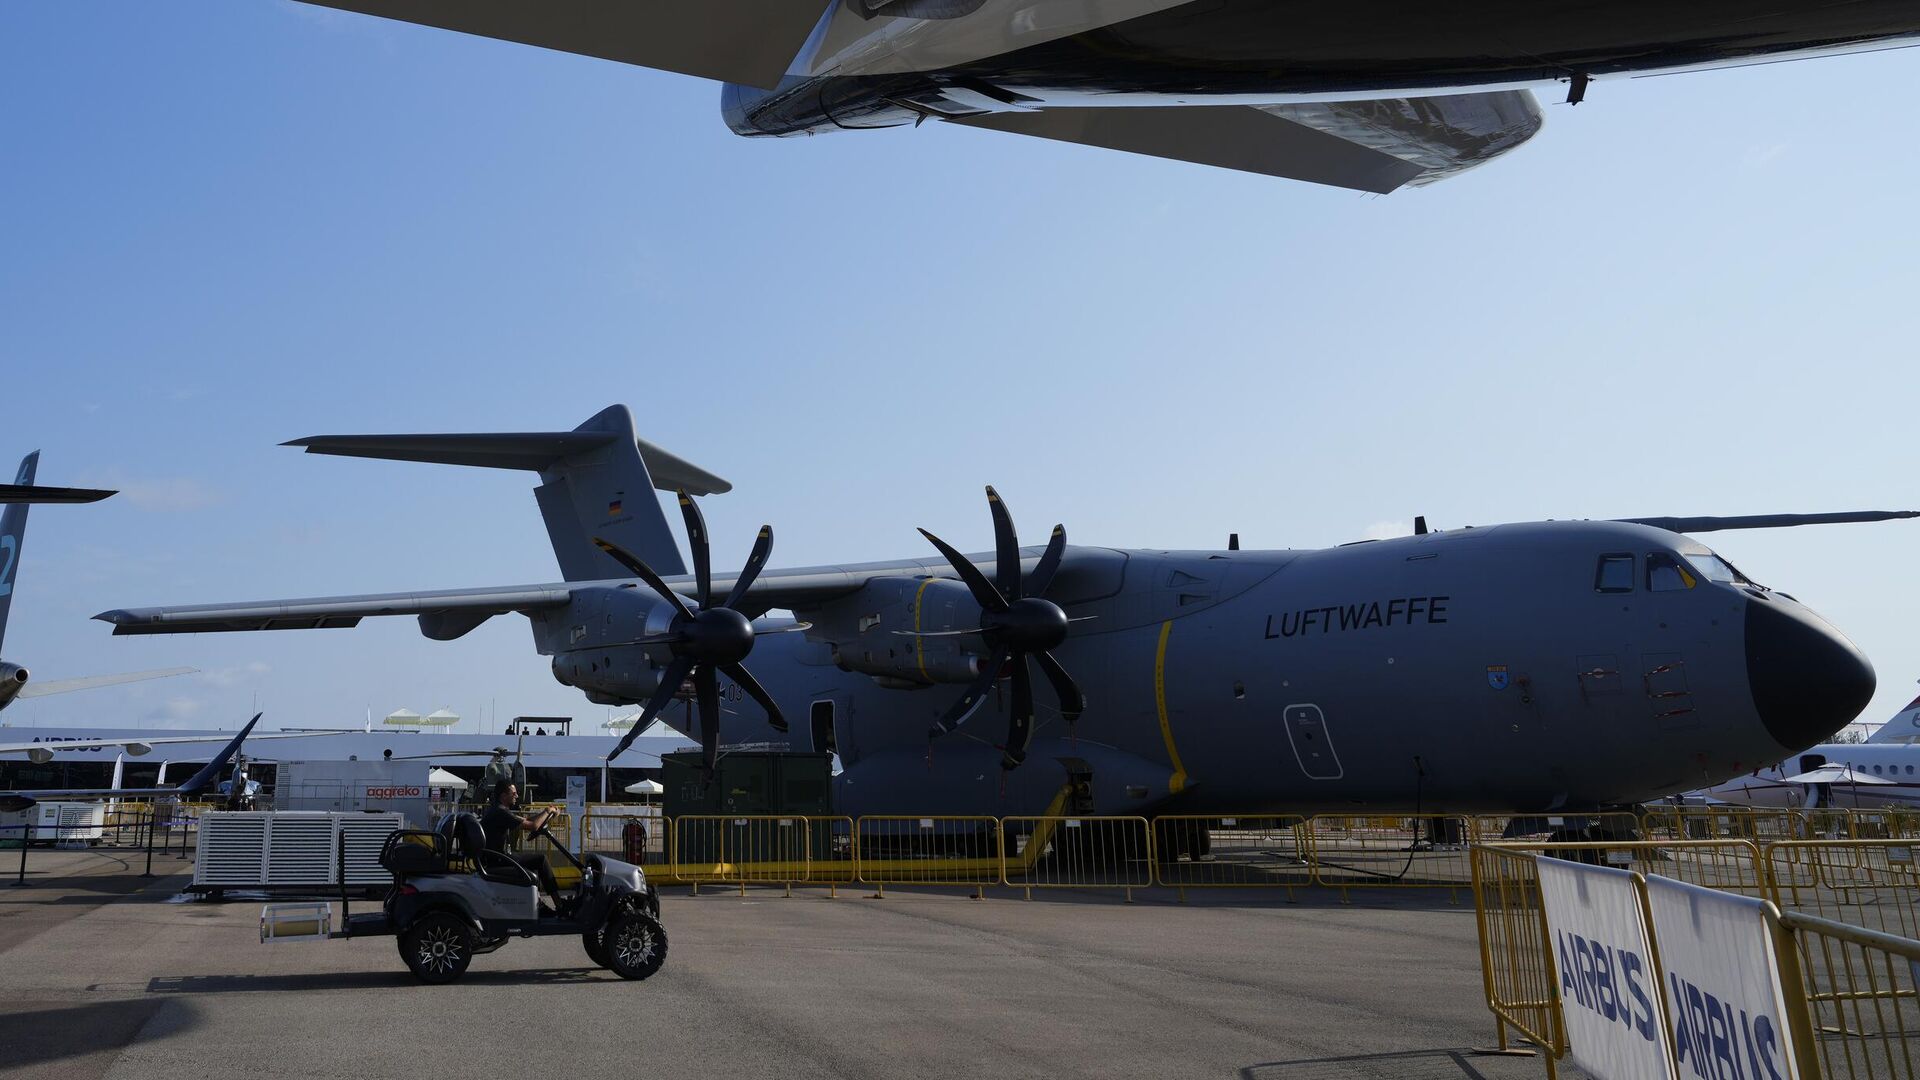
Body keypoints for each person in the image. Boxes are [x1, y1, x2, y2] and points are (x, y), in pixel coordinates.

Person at [479, 782, 558, 854]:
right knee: (541, 860)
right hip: (498, 859)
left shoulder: (498, 809)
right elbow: (534, 826)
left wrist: (545, 814)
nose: (516, 796)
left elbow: (526, 820)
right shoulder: (501, 812)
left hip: (498, 856)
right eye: (514, 794)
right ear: (504, 796)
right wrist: (548, 811)